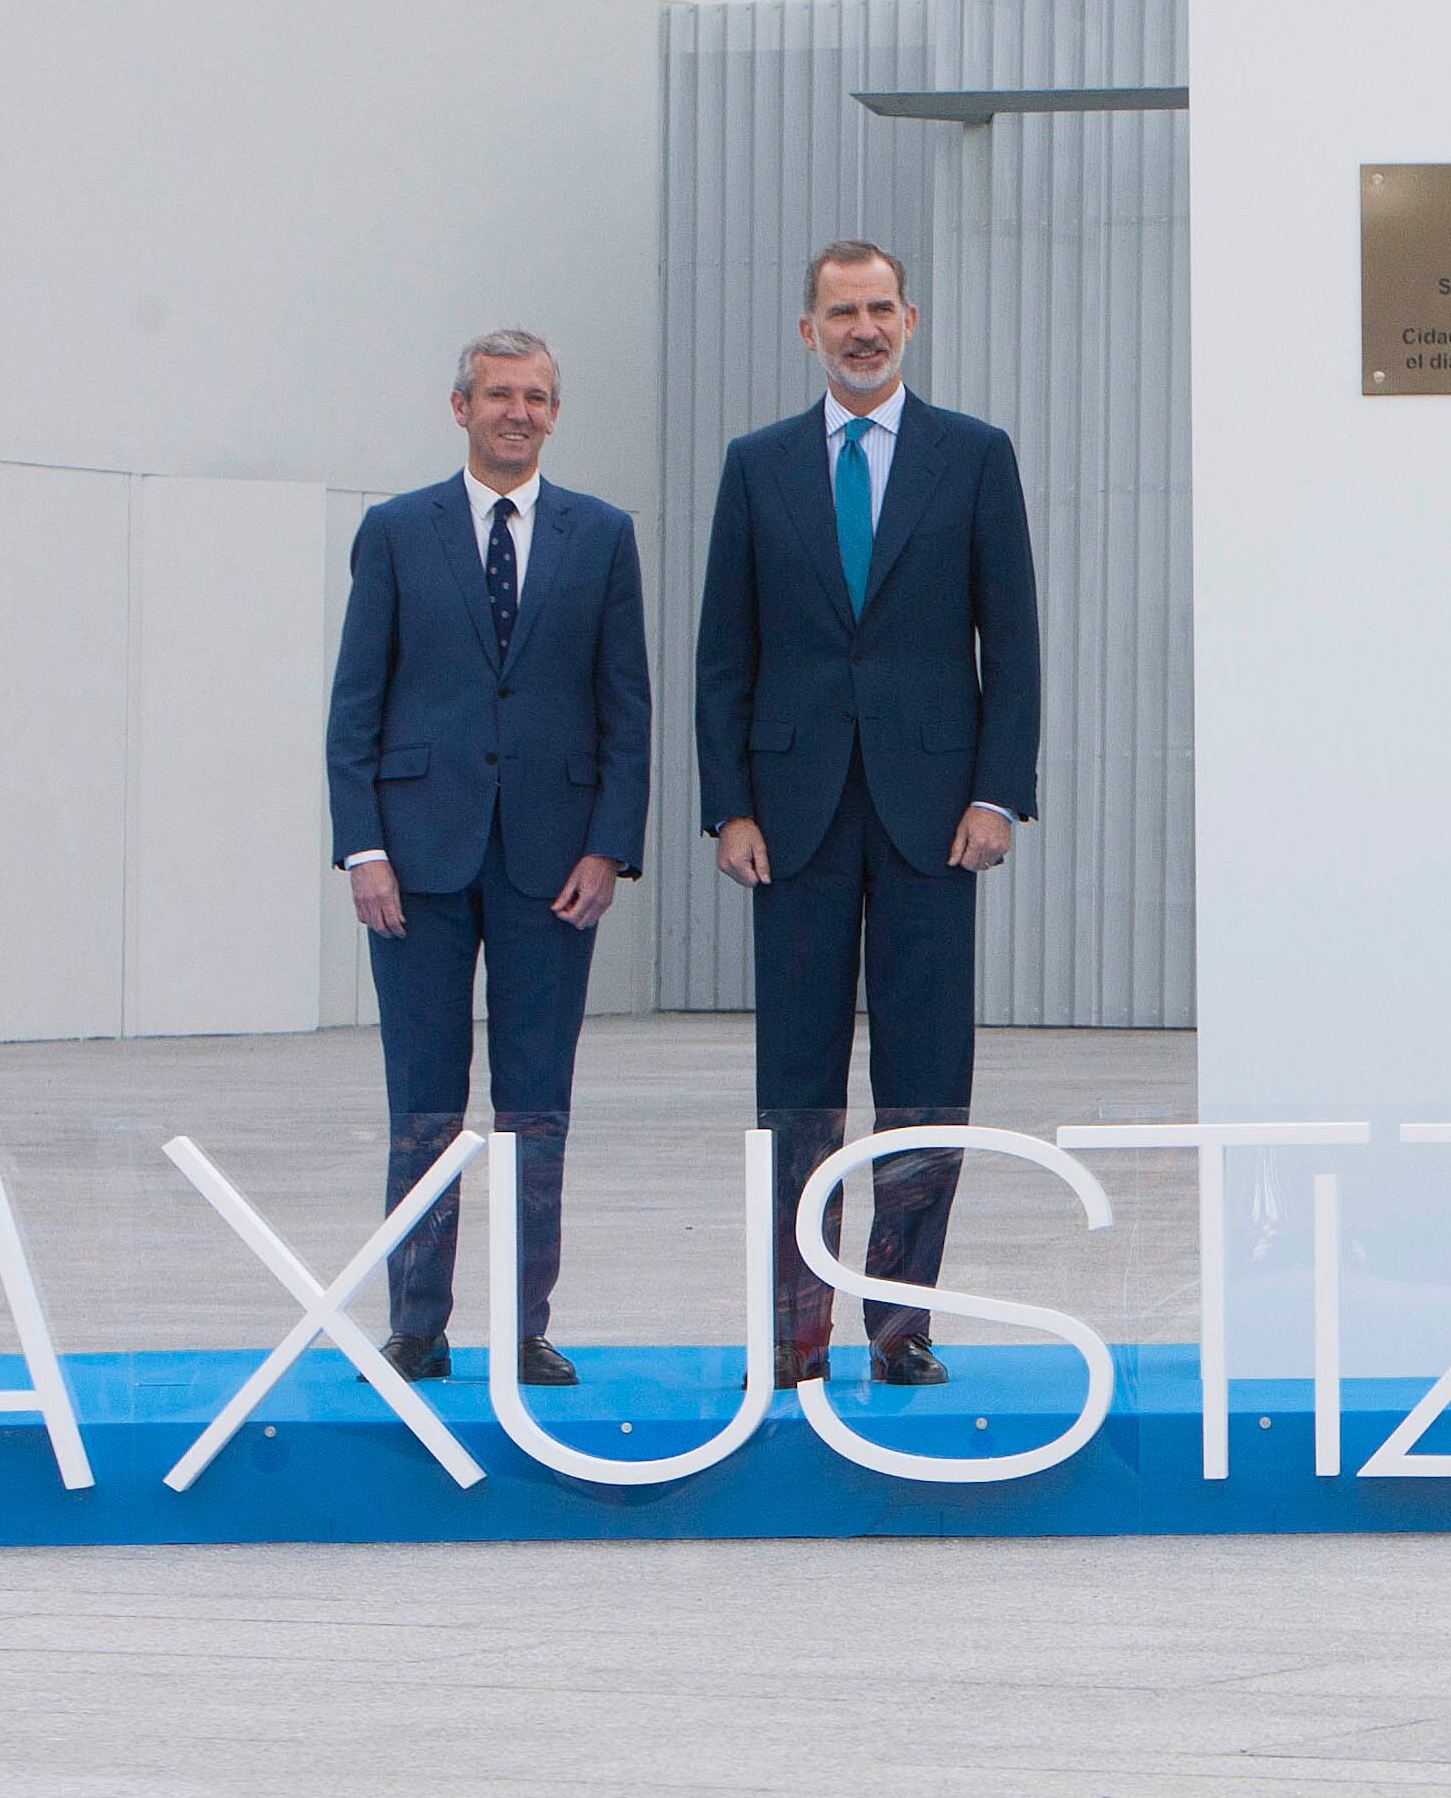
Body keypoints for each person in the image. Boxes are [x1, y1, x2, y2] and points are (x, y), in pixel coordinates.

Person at [695, 240, 1042, 1389]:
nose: (862, 328)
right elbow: (722, 657)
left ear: (911, 319)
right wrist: (727, 808)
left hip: (935, 814)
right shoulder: (756, 466)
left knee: (926, 1074)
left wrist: (997, 792)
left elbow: (1015, 644)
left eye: (880, 308)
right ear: (807, 331)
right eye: (840, 311)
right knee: (794, 1079)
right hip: (790, 819)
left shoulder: (974, 458)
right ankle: (793, 1334)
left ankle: (900, 1325)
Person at [326, 330, 650, 1385]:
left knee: (534, 1102)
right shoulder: (394, 532)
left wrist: (611, 846)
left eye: (539, 397)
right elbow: (355, 707)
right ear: (457, 405)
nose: (519, 411)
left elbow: (625, 709)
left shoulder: (601, 535)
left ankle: (522, 1322)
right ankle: (417, 1322)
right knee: (422, 1099)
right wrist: (362, 848)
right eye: (500, 394)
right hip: (414, 861)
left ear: (556, 413)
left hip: (553, 866)